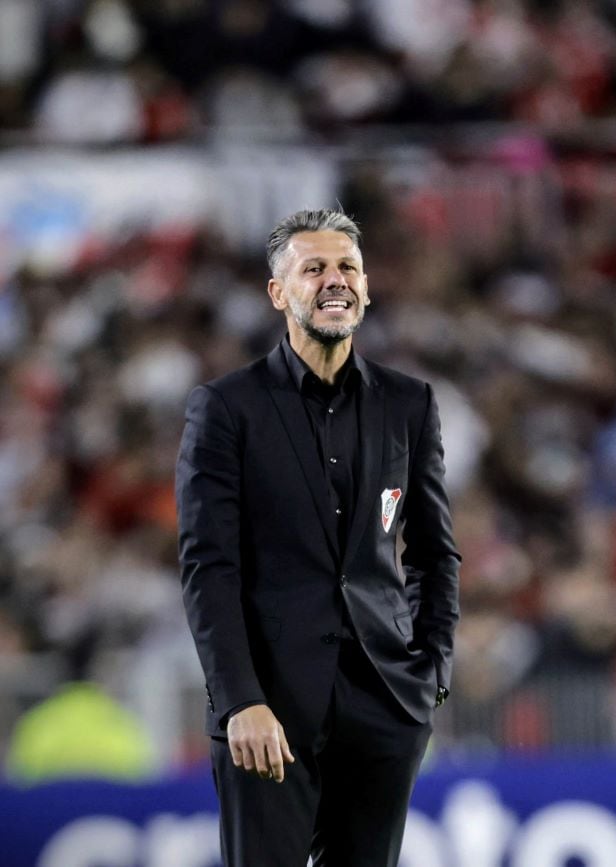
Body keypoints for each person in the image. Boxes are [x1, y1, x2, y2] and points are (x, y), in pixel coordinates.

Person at [176, 209, 461, 866]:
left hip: (385, 705)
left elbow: (435, 552)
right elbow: (208, 566)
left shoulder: (409, 403)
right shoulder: (226, 408)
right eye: (315, 269)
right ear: (279, 293)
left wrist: (432, 675)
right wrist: (239, 698)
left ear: (366, 285)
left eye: (348, 267)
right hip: (267, 710)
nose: (335, 281)